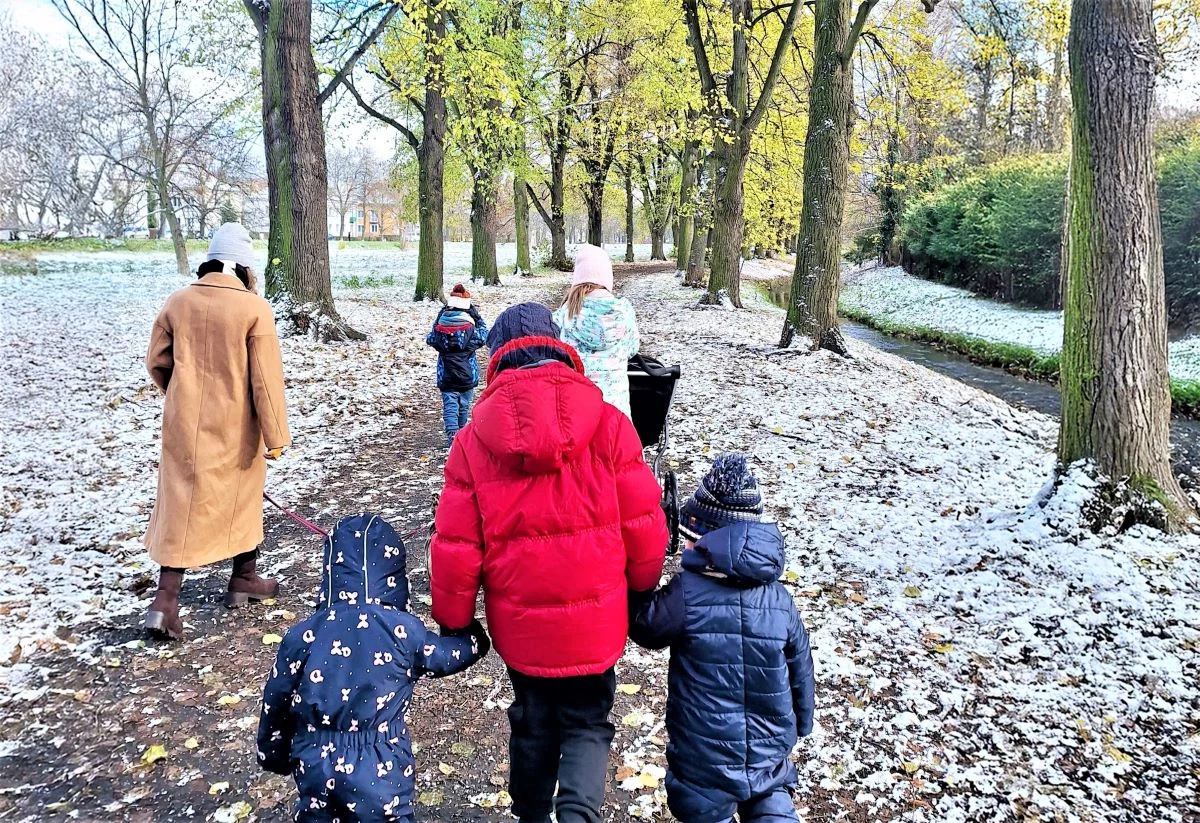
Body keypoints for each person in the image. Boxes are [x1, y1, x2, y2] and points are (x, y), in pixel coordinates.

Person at [429, 303, 668, 823]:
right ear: (559, 346)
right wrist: (641, 589)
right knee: (587, 722)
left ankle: (532, 815)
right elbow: (644, 523)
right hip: (597, 621)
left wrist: (455, 621)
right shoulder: (609, 423)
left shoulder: (472, 440)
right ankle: (579, 813)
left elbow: (456, 545)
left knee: (533, 722)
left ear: (497, 356)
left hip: (522, 627)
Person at [257, 514, 489, 822]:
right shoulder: (401, 631)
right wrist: (473, 636)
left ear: (331, 571)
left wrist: (273, 753)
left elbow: (276, 699)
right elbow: (448, 656)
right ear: (393, 575)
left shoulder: (304, 635)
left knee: (316, 815)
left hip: (314, 756)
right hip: (379, 759)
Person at [629, 454, 815, 823]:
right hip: (768, 751)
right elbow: (801, 666)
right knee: (773, 806)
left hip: (705, 759)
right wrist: (803, 719)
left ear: (707, 540)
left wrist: (636, 580)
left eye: (690, 539)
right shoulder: (779, 599)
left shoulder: (687, 594)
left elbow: (646, 626)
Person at [143, 223, 290, 641]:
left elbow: (157, 361)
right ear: (244, 267)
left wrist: (180, 395)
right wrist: (276, 437)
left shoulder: (178, 302)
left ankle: (165, 600)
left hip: (183, 424)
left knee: (181, 503)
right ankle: (244, 576)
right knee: (241, 496)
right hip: (235, 426)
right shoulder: (253, 309)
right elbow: (265, 381)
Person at [553, 244, 640, 418]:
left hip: (576, 414)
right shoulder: (624, 312)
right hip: (616, 415)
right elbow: (632, 350)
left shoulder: (562, 316)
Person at [426, 284, 488, 447]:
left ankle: (452, 436)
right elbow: (485, 335)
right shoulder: (471, 332)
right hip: (467, 375)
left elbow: (430, 339)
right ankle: (461, 435)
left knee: (450, 406)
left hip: (446, 375)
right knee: (464, 405)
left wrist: (440, 316)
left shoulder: (439, 331)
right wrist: (477, 317)